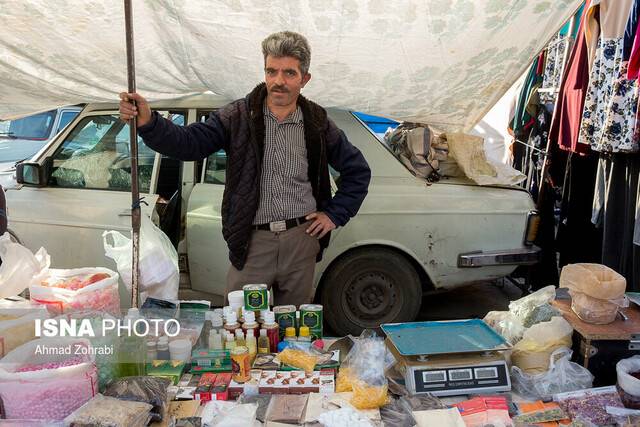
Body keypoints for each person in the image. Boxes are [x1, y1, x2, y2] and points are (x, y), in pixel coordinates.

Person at [119, 31, 371, 306]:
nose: (278, 81)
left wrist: (334, 214)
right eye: (271, 71)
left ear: (304, 78)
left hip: (301, 239)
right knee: (242, 327)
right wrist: (149, 122)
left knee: (297, 325)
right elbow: (190, 143)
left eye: (289, 73)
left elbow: (357, 171)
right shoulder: (238, 116)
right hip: (252, 242)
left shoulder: (317, 122)